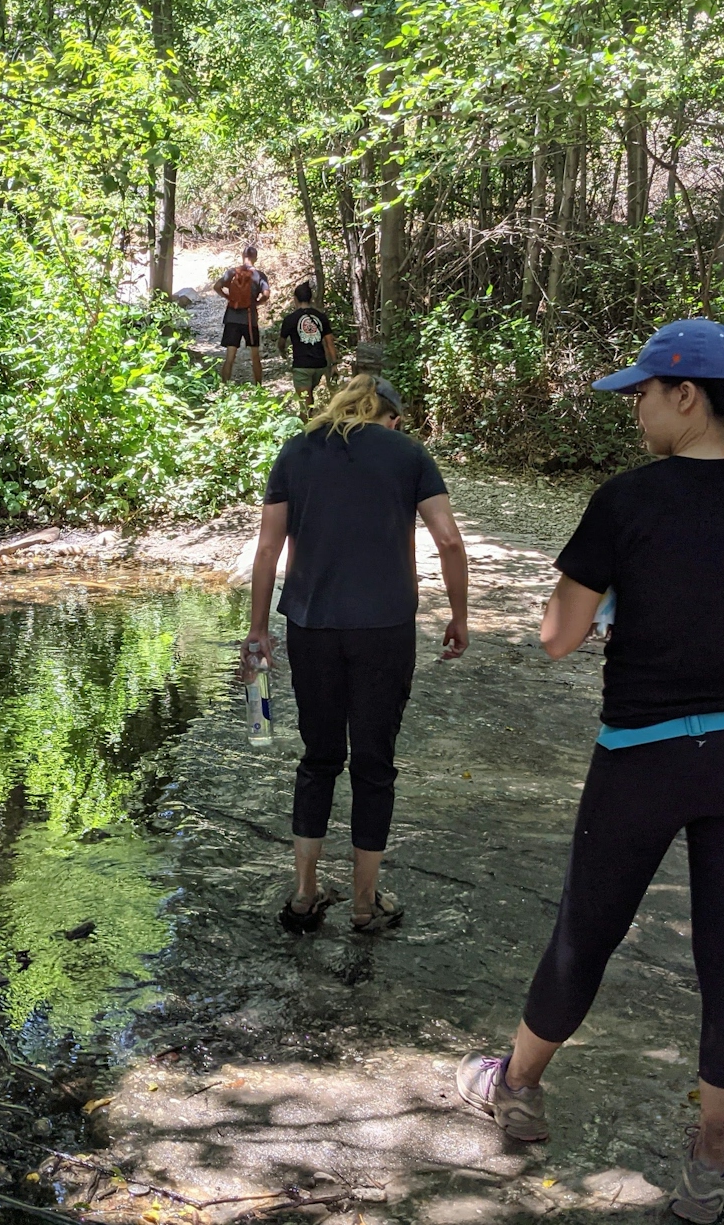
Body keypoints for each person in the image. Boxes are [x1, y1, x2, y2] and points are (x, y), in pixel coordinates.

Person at [456, 320, 724, 1225]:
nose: (635, 408)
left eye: (642, 393)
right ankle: (708, 1164)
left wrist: (611, 595)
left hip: (642, 757)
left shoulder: (626, 503)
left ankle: (517, 1088)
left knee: (586, 931)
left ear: (687, 396)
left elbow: (555, 639)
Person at [245, 374, 470, 934]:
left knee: (319, 758)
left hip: (311, 625)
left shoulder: (296, 451)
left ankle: (303, 896)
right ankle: (366, 905)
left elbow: (268, 547)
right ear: (390, 416)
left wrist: (257, 632)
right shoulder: (408, 454)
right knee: (373, 765)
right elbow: (448, 540)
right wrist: (458, 617)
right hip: (385, 628)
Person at [279, 283, 339, 419]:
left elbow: (281, 342)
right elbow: (329, 342)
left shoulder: (290, 319)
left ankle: (306, 434)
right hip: (320, 365)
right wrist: (334, 364)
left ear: (295, 299)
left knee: (305, 408)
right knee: (309, 399)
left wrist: (282, 352)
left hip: (302, 365)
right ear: (311, 299)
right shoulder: (321, 317)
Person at [215, 246, 270, 384]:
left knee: (230, 357)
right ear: (255, 257)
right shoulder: (259, 275)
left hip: (232, 318)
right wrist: (256, 303)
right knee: (255, 356)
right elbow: (266, 295)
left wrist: (228, 298)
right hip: (250, 319)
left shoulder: (232, 272)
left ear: (242, 256)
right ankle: (258, 388)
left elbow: (217, 286)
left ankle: (224, 387)